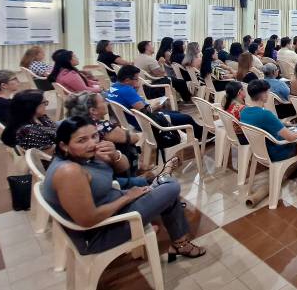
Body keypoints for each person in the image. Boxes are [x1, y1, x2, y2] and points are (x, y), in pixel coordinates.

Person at [42, 116, 206, 259]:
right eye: (81, 140)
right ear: (64, 145)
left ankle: (180, 243)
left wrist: (114, 155)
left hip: (114, 208)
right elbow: (88, 220)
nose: (92, 143)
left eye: (94, 136)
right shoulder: (69, 172)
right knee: (171, 188)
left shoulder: (83, 157)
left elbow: (124, 169)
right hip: (99, 233)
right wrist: (127, 197)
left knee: (168, 194)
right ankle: (161, 180)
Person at [64, 92, 157, 187]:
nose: (107, 103)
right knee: (147, 137)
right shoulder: (103, 127)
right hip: (115, 175)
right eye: (103, 101)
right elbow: (134, 138)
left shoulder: (76, 127)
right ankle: (143, 171)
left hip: (103, 173)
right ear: (93, 110)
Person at [107, 65, 205, 140]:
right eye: (136, 79)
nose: (138, 81)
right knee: (186, 118)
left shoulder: (113, 87)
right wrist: (155, 106)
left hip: (132, 121)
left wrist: (135, 88)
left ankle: (196, 134)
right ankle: (202, 136)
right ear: (127, 80)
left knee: (176, 113)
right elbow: (144, 112)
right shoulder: (127, 90)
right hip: (145, 122)